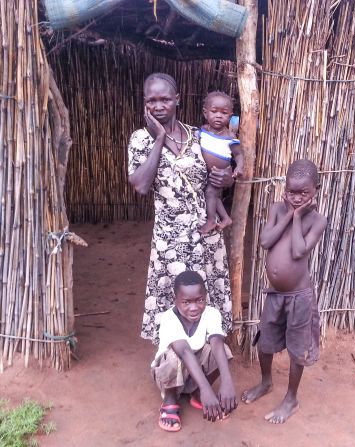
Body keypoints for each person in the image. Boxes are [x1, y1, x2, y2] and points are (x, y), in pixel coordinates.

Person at [128, 73, 234, 344]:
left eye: (165, 99)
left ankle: (205, 360)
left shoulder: (199, 135)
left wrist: (227, 176)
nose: (159, 105)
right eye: (152, 100)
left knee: (203, 298)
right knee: (176, 302)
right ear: (144, 103)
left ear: (177, 100)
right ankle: (176, 364)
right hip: (170, 240)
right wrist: (160, 138)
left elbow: (222, 166)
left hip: (204, 234)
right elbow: (140, 185)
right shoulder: (140, 140)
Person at [241, 159, 327, 424]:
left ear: (316, 190)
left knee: (297, 348)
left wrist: (298, 216)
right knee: (266, 341)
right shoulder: (277, 210)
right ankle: (266, 382)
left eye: (304, 193)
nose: (297, 197)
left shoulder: (318, 220)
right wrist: (290, 214)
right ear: (284, 189)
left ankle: (291, 399)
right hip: (275, 295)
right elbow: (266, 241)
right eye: (292, 191)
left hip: (299, 297)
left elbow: (298, 250)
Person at [152, 271, 237, 431]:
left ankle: (197, 394)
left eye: (199, 300)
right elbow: (183, 351)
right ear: (175, 299)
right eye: (186, 302)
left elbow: (217, 343)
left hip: (194, 374)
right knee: (172, 357)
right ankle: (170, 400)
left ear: (205, 296)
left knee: (223, 351)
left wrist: (227, 381)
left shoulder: (212, 313)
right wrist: (207, 388)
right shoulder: (169, 318)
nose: (194, 308)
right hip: (169, 376)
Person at [197, 91, 244, 234]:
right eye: (214, 111)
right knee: (213, 195)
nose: (218, 115)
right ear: (206, 113)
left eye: (224, 113)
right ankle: (225, 218)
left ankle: (211, 220)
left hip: (221, 173)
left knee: (211, 193)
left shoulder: (230, 137)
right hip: (208, 173)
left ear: (230, 116)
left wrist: (239, 168)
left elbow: (238, 154)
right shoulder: (202, 131)